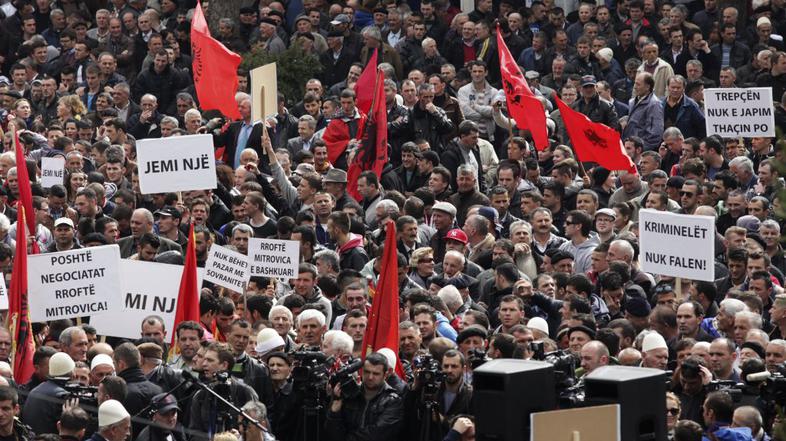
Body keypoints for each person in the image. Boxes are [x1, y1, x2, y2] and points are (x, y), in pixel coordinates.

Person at [325, 352, 403, 441]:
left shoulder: (392, 401)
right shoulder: (350, 395)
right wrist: (334, 411)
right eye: (367, 372)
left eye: (376, 374)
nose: (370, 377)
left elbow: (376, 435)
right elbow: (331, 431)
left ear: (385, 375)